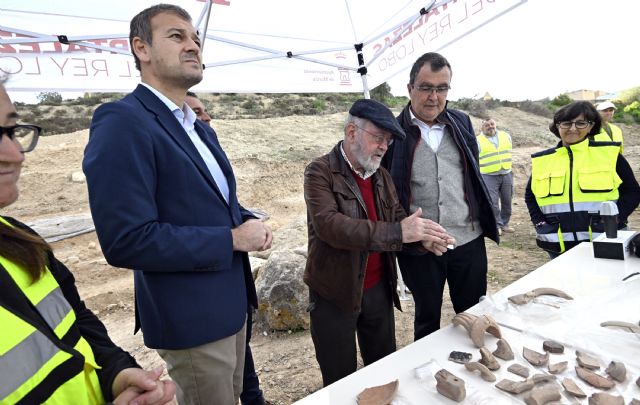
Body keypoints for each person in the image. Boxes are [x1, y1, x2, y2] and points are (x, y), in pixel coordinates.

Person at [82, 4, 272, 404]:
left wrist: (248, 222)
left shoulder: (195, 127)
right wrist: (233, 238)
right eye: (176, 36)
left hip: (230, 307)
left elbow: (208, 205)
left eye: (196, 39)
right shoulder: (122, 121)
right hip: (193, 320)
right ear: (141, 49)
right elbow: (127, 240)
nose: (192, 46)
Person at [0, 79, 176, 404]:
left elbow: (75, 321)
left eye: (11, 132)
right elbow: (129, 239)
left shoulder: (19, 240)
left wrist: (116, 374)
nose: (14, 155)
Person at [304, 99, 454, 386]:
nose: (384, 146)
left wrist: (423, 238)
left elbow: (397, 220)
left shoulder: (381, 176)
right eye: (379, 138)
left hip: (378, 291)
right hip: (334, 293)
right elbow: (331, 227)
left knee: (384, 371)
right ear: (351, 133)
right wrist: (401, 233)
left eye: (388, 140)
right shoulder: (319, 171)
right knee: (339, 381)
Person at [381, 52, 499, 341]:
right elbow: (386, 194)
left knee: (474, 316)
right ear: (410, 89)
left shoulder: (461, 122)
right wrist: (415, 234)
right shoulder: (392, 133)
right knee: (427, 318)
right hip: (420, 247)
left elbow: (471, 175)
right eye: (426, 87)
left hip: (468, 240)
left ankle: (477, 367)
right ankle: (431, 377)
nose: (434, 96)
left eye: (442, 88)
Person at [184, 91, 270, 405]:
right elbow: (134, 239)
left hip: (232, 296)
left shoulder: (207, 148)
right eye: (194, 111)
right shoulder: (157, 149)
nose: (204, 118)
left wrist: (251, 221)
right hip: (198, 310)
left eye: (205, 111)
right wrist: (235, 238)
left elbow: (226, 206)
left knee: (243, 381)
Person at [524, 101, 640, 258]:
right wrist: (540, 224)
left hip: (605, 241)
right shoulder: (543, 160)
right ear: (558, 126)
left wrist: (615, 220)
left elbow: (632, 191)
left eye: (580, 123)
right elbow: (530, 196)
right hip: (558, 245)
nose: (573, 129)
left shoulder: (609, 154)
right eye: (566, 123)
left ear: (591, 126)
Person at [477, 118, 514, 235]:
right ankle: (496, 224)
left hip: (506, 173)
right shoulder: (477, 140)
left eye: (492, 124)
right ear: (481, 128)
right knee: (492, 202)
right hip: (488, 175)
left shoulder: (505, 136)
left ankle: (505, 223)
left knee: (507, 201)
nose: (490, 126)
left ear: (495, 124)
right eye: (487, 125)